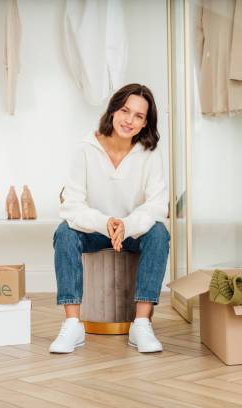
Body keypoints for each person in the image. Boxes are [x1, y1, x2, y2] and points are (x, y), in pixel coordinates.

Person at [49, 83, 170, 354]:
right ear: (113, 110)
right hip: (94, 230)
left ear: (145, 123)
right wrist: (105, 223)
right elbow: (71, 205)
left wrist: (127, 225)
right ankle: (72, 324)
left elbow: (157, 205)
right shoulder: (85, 149)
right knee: (64, 232)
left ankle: (141, 323)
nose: (129, 120)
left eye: (139, 116)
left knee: (159, 233)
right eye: (125, 110)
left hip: (132, 232)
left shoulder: (150, 154)